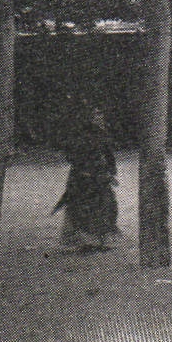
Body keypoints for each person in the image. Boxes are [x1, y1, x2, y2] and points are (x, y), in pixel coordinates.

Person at [53, 106, 120, 251]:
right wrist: (86, 169)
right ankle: (83, 239)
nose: (99, 119)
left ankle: (101, 239)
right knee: (82, 207)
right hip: (83, 178)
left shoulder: (103, 135)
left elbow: (108, 155)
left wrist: (109, 171)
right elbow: (72, 155)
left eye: (100, 116)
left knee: (105, 206)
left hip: (100, 178)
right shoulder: (80, 135)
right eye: (96, 116)